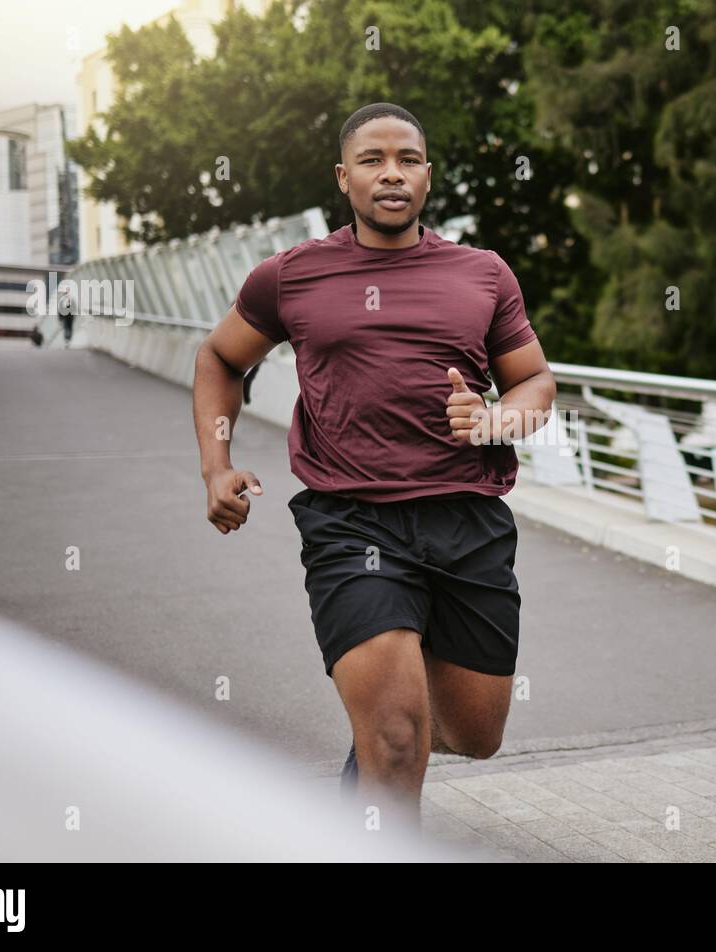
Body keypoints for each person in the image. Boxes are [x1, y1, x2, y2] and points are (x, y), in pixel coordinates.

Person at [191, 103, 556, 833]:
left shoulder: (481, 274)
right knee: (396, 740)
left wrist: (495, 420)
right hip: (352, 522)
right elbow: (221, 358)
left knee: (475, 733)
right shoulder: (291, 276)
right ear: (343, 177)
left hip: (468, 522)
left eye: (408, 159)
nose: (392, 173)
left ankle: (384, 738)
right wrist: (216, 466)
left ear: (427, 175)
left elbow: (536, 384)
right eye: (372, 160)